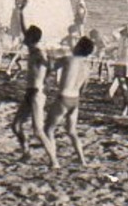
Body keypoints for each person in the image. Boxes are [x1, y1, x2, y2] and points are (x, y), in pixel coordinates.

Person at [44, 35, 94, 166]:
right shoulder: (87, 66)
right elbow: (84, 86)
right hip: (75, 99)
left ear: (78, 47)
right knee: (72, 131)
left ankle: (54, 161)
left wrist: (49, 55)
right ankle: (82, 160)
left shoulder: (68, 59)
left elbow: (51, 66)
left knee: (48, 129)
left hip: (64, 98)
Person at [10, 25, 57, 165]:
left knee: (38, 131)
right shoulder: (32, 49)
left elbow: (50, 65)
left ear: (31, 38)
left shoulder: (39, 53)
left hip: (37, 93)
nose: (23, 37)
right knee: (16, 125)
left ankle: (54, 161)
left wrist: (48, 73)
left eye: (26, 36)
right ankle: (26, 152)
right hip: (29, 92)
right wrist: (21, 12)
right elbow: (24, 30)